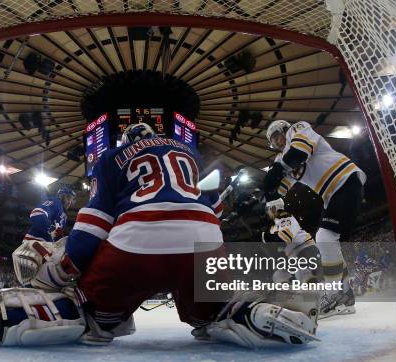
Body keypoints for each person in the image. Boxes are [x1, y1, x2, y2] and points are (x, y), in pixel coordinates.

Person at [26, 123, 318, 347]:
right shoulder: (188, 152)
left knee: (92, 316)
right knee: (214, 314)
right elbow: (214, 210)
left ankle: (40, 315)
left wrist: (64, 269)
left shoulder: (110, 157)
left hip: (135, 247)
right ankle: (246, 314)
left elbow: (94, 225)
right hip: (203, 242)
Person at [262, 120, 366, 317]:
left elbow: (299, 153)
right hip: (332, 194)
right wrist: (264, 196)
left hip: (344, 179)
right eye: (272, 141)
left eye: (276, 135)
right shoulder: (283, 159)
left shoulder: (298, 129)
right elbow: (277, 192)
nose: (276, 141)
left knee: (325, 237)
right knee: (329, 241)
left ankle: (334, 295)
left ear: (285, 129)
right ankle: (345, 297)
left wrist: (277, 171)